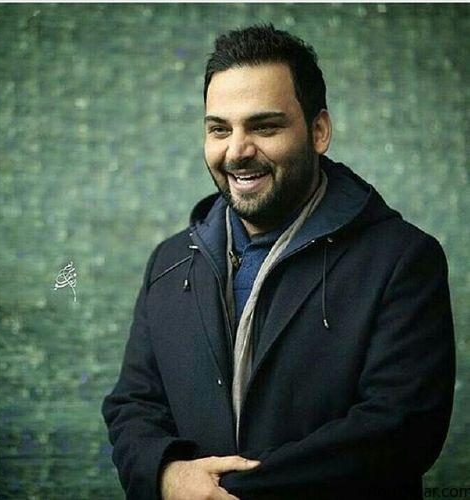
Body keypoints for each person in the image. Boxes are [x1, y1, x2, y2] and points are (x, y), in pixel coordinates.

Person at [102, 24, 455, 500]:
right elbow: (132, 406)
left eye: (264, 127)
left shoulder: (403, 260)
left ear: (319, 131)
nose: (237, 151)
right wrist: (167, 475)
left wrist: (225, 492)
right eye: (219, 129)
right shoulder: (170, 262)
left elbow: (400, 429)